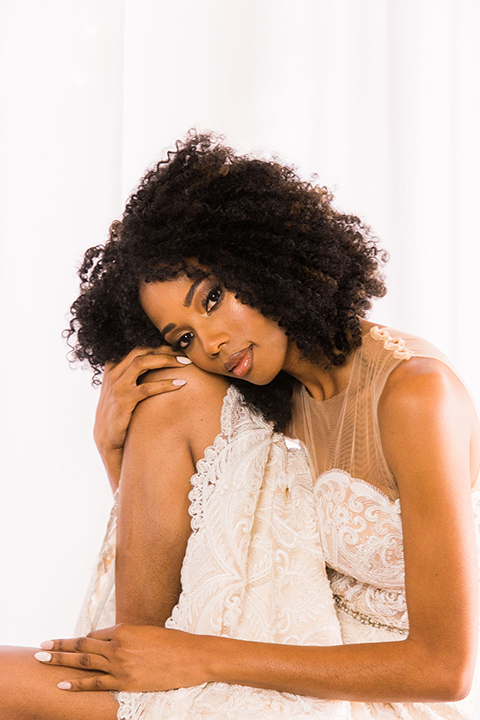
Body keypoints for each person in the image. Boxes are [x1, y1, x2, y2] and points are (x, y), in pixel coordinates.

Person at [1, 132, 479, 719]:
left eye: (212, 298)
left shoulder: (415, 396)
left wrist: (201, 658)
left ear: (264, 256)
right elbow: (191, 568)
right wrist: (112, 448)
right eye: (183, 337)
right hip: (265, 651)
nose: (212, 343)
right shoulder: (274, 399)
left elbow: (445, 669)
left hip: (360, 695)